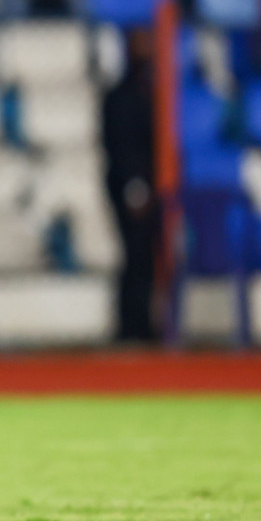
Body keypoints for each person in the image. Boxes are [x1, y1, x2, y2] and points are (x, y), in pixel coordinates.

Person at [102, 29, 159, 342]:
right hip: (130, 186)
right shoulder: (121, 94)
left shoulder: (152, 91)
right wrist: (135, 187)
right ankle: (131, 325)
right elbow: (121, 148)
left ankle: (143, 322)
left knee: (145, 257)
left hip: (147, 183)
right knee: (134, 255)